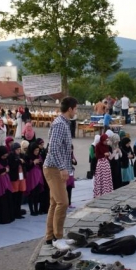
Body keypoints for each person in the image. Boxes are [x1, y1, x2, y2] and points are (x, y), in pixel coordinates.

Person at [43, 96, 78, 252]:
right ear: (70, 109)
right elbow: (53, 148)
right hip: (54, 168)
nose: (76, 111)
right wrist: (63, 168)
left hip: (56, 167)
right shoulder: (59, 124)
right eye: (76, 108)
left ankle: (50, 237)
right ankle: (58, 238)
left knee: (54, 203)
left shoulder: (64, 123)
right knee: (63, 203)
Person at [0, 146, 14, 224]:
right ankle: (3, 219)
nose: (4, 157)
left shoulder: (5, 160)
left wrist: (4, 170)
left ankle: (10, 217)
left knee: (8, 198)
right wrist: (4, 170)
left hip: (6, 180)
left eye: (5, 156)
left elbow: (8, 168)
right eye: (3, 156)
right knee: (2, 200)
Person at [8, 142, 26, 220]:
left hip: (21, 178)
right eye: (17, 149)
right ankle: (14, 212)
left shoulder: (21, 156)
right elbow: (12, 166)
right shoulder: (11, 156)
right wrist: (18, 161)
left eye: (19, 149)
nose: (19, 151)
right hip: (15, 179)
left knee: (20, 196)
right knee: (15, 197)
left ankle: (18, 212)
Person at [93, 133, 113, 198]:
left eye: (107, 141)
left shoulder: (106, 146)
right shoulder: (98, 146)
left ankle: (107, 191)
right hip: (101, 164)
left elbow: (108, 153)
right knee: (101, 178)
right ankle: (99, 192)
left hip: (106, 163)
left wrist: (108, 154)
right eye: (105, 141)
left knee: (106, 178)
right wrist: (104, 154)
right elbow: (97, 156)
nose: (106, 142)